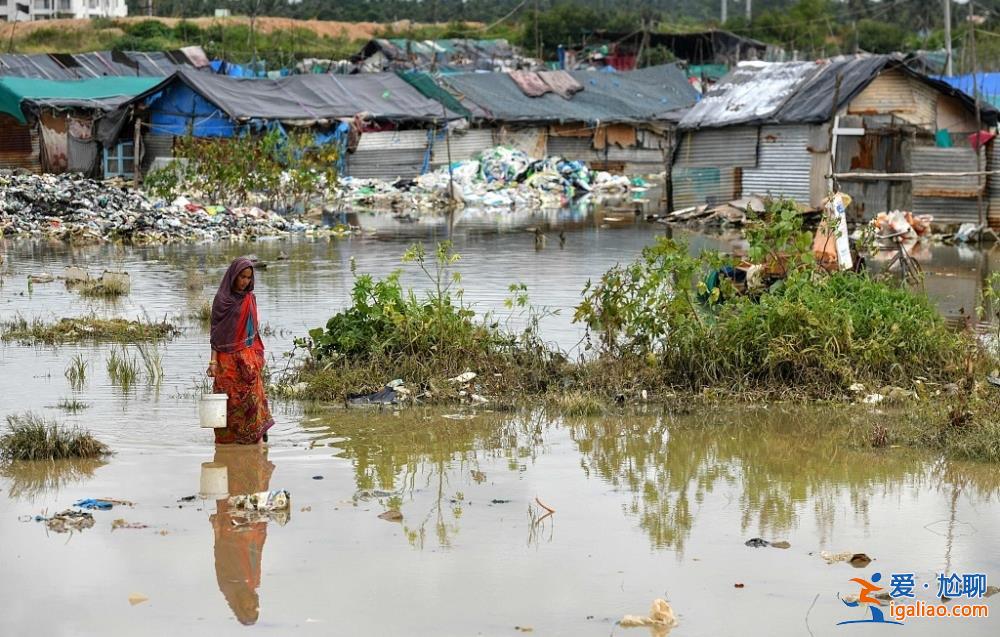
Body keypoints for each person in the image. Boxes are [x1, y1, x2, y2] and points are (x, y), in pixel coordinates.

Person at [208, 257, 273, 444]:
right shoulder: (222, 300)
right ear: (233, 276)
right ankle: (228, 445)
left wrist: (255, 357)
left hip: (247, 357)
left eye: (248, 277)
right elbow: (216, 334)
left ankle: (256, 440)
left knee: (252, 398)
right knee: (228, 399)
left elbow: (254, 332)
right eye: (242, 277)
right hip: (226, 360)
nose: (245, 281)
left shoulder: (249, 299)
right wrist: (213, 362)